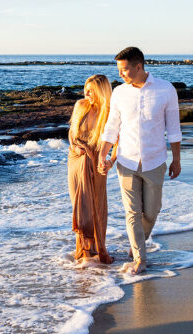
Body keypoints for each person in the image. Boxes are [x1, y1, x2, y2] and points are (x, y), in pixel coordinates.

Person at [97, 47, 182, 274]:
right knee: (132, 213)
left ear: (138, 66)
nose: (121, 74)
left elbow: (174, 128)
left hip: (155, 160)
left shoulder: (166, 89)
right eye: (119, 70)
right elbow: (111, 127)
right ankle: (139, 259)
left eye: (124, 70)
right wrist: (102, 154)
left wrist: (177, 160)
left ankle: (137, 246)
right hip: (126, 160)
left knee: (152, 212)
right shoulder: (119, 93)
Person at [68, 74, 116, 265]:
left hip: (97, 160)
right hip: (76, 158)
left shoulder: (110, 112)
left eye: (91, 91)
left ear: (101, 91)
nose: (87, 94)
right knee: (79, 203)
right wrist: (75, 147)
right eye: (85, 90)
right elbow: (72, 134)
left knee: (96, 203)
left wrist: (110, 160)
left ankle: (98, 247)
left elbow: (117, 141)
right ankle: (84, 251)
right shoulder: (81, 105)